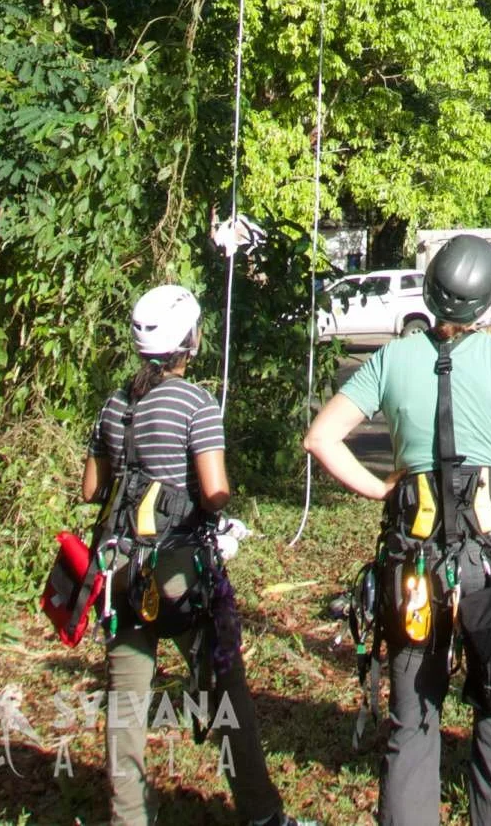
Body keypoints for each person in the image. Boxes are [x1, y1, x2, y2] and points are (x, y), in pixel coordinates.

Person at [304, 234, 491, 826]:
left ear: (430, 291)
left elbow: (321, 437)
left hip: (415, 563)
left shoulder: (391, 359)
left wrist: (382, 486)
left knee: (413, 719)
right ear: (486, 302)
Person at [83, 285, 300, 826]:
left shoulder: (117, 402)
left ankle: (128, 816)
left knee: (126, 701)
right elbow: (215, 490)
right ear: (190, 341)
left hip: (120, 568)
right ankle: (261, 811)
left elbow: (91, 488)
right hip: (177, 569)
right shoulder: (196, 403)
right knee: (224, 685)